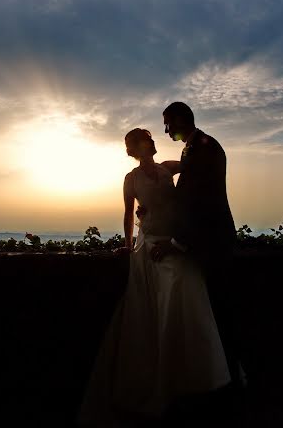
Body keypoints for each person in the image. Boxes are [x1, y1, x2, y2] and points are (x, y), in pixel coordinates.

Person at [77, 128, 231, 427]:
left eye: (137, 141)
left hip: (171, 243)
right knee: (151, 308)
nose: (135, 146)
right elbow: (127, 213)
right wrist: (127, 242)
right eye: (132, 143)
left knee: (183, 292)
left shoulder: (169, 168)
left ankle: (192, 377)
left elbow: (195, 179)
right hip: (148, 245)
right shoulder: (130, 179)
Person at [151, 102, 241, 391]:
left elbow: (200, 203)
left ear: (181, 119)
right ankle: (223, 381)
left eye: (168, 124)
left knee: (220, 317)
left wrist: (176, 242)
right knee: (215, 316)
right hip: (210, 242)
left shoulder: (203, 147)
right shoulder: (197, 146)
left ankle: (228, 384)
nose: (166, 131)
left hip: (213, 245)